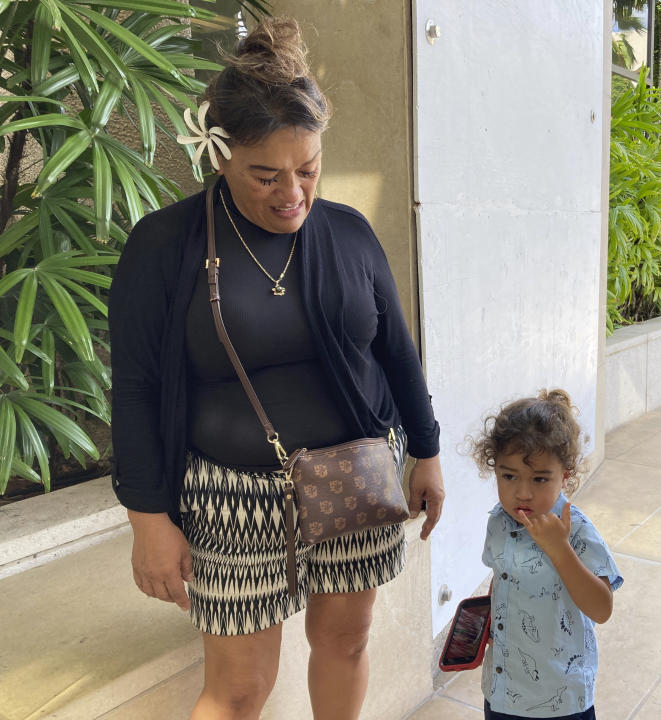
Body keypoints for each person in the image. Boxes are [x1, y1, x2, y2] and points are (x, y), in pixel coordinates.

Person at [109, 17, 445, 720]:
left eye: (309, 168)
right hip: (231, 495)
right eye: (266, 174)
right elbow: (136, 390)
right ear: (219, 154)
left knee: (345, 643)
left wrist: (427, 450)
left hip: (354, 475)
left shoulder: (349, 233)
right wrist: (147, 516)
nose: (292, 192)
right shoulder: (164, 246)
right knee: (237, 689)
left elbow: (396, 350)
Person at [471, 390, 623, 720]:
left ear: (565, 476)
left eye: (540, 479)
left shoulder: (577, 529)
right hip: (503, 690)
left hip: (560, 697)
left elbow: (602, 608)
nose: (522, 492)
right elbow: (502, 578)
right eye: (509, 476)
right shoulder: (500, 520)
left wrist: (559, 549)